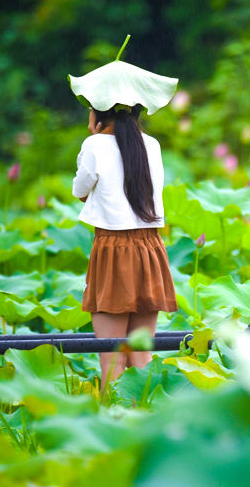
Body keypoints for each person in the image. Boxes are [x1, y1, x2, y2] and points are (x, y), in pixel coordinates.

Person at [72, 104, 177, 385]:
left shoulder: (94, 144)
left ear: (98, 113)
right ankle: (145, 422)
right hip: (150, 249)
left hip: (113, 249)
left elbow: (80, 191)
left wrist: (93, 136)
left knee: (112, 356)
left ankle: (115, 424)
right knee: (141, 357)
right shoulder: (152, 145)